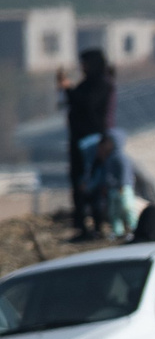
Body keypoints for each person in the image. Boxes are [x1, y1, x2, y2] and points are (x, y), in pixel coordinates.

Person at [56, 47, 115, 241]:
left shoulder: (102, 84)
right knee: (78, 183)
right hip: (78, 140)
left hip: (93, 141)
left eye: (85, 63)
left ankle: (97, 225)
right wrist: (67, 90)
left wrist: (69, 89)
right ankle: (82, 224)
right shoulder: (86, 84)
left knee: (93, 184)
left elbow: (88, 104)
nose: (82, 67)